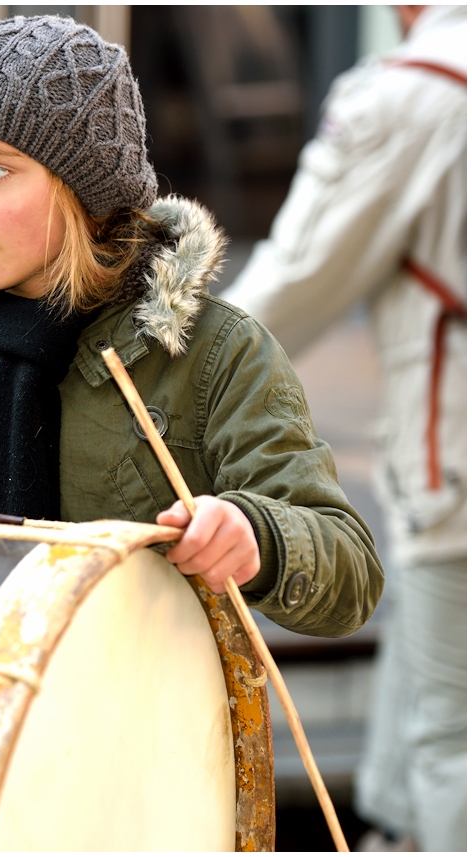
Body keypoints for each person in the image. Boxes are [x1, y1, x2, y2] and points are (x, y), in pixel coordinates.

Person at [0, 15, 383, 637]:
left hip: (141, 723)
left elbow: (350, 578)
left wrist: (257, 537)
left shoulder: (213, 354)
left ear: (83, 185)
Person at [221, 5, 465, 850]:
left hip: (459, 475)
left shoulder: (419, 92)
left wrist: (153, 363)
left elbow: (288, 288)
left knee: (455, 740)